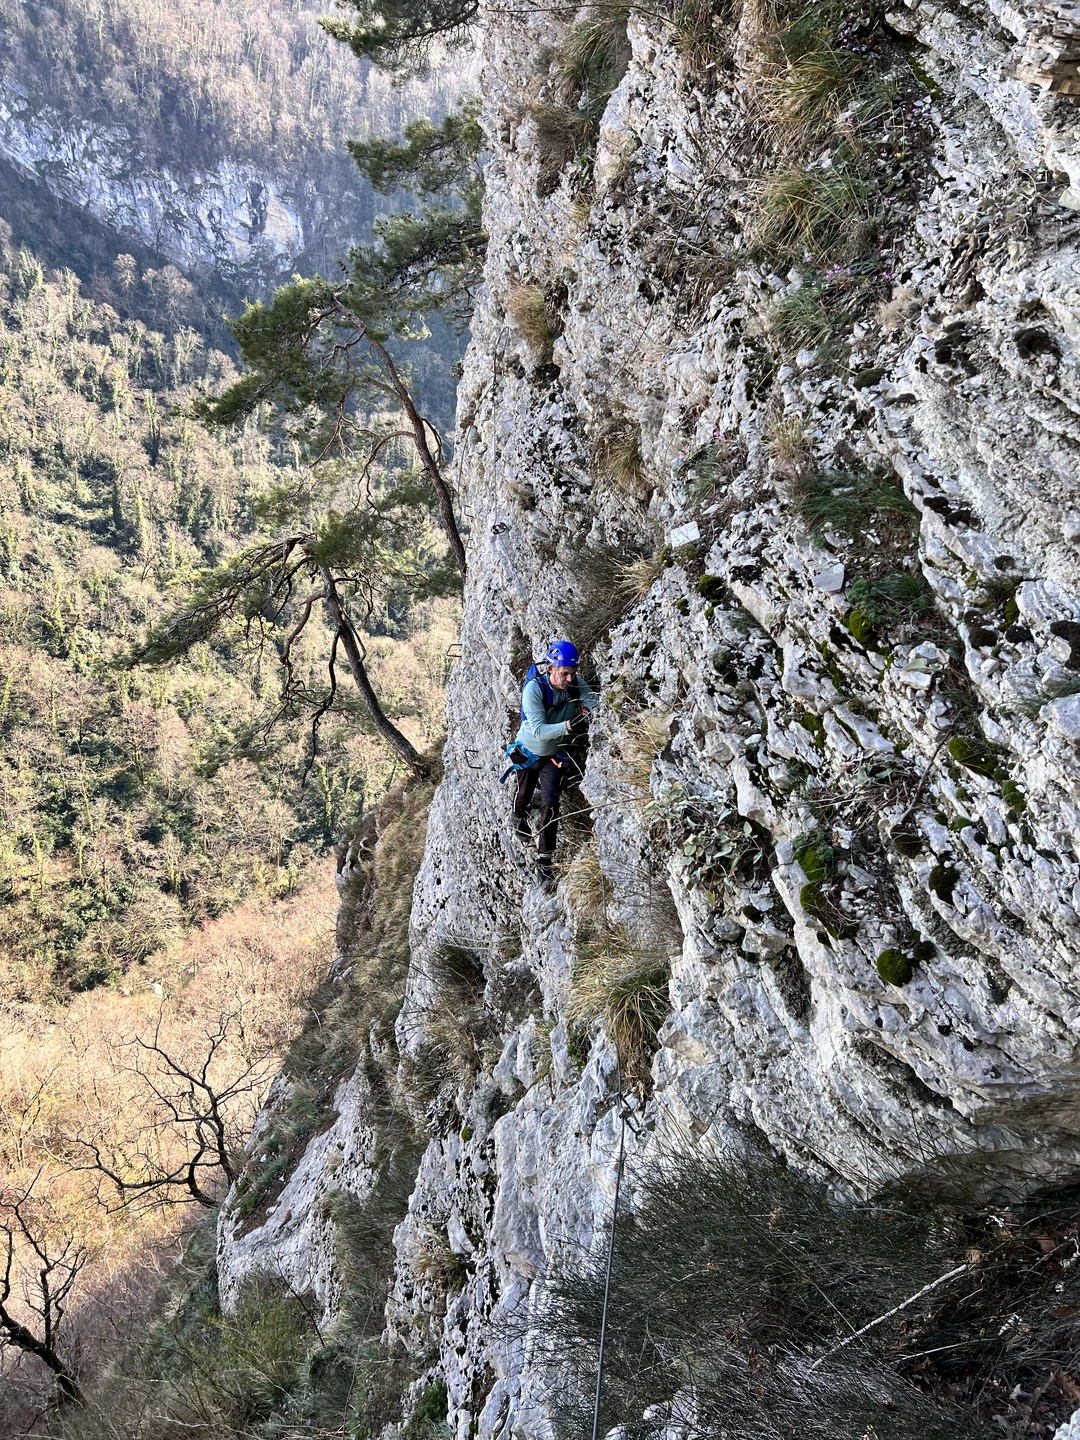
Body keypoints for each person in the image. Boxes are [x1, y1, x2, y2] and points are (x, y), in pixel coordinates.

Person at [510, 640, 599, 883]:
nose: (569, 679)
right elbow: (538, 730)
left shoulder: (574, 685)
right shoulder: (534, 689)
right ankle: (518, 817)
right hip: (529, 751)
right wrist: (570, 725)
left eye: (573, 674)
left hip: (553, 757)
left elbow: (592, 701)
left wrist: (593, 711)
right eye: (564, 674)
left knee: (551, 805)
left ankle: (545, 862)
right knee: (524, 794)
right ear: (550, 669)